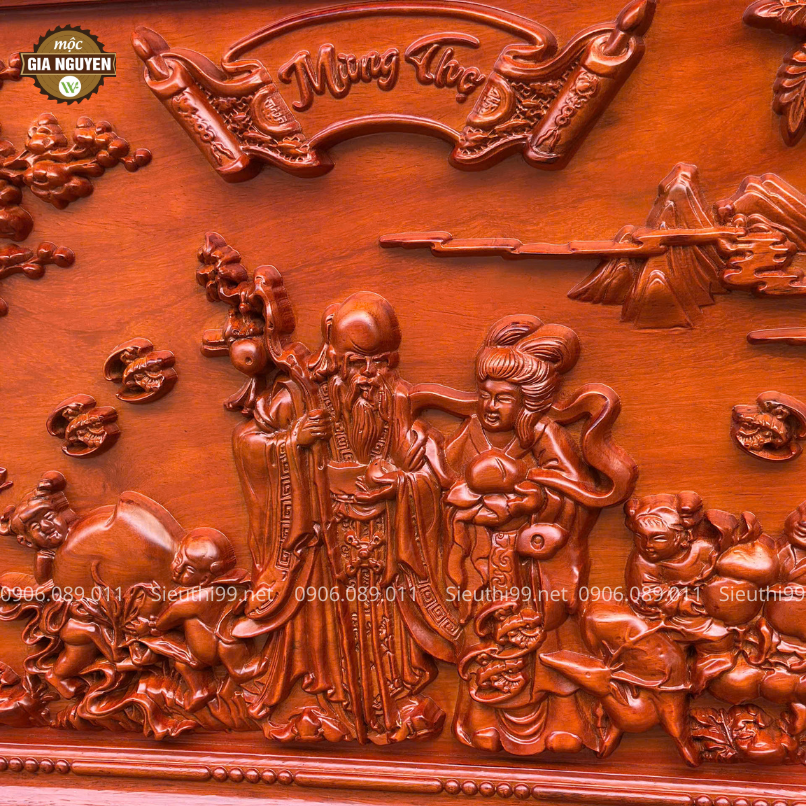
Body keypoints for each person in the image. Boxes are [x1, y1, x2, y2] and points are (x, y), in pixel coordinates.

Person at [231, 291, 455, 744]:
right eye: (357, 363)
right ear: (334, 358)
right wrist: (293, 441)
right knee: (326, 630)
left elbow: (431, 473)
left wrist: (407, 483)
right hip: (324, 534)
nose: (369, 375)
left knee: (388, 629)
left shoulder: (399, 401)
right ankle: (331, 708)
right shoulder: (300, 396)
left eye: (380, 363)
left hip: (387, 537)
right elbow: (248, 443)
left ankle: (391, 707)